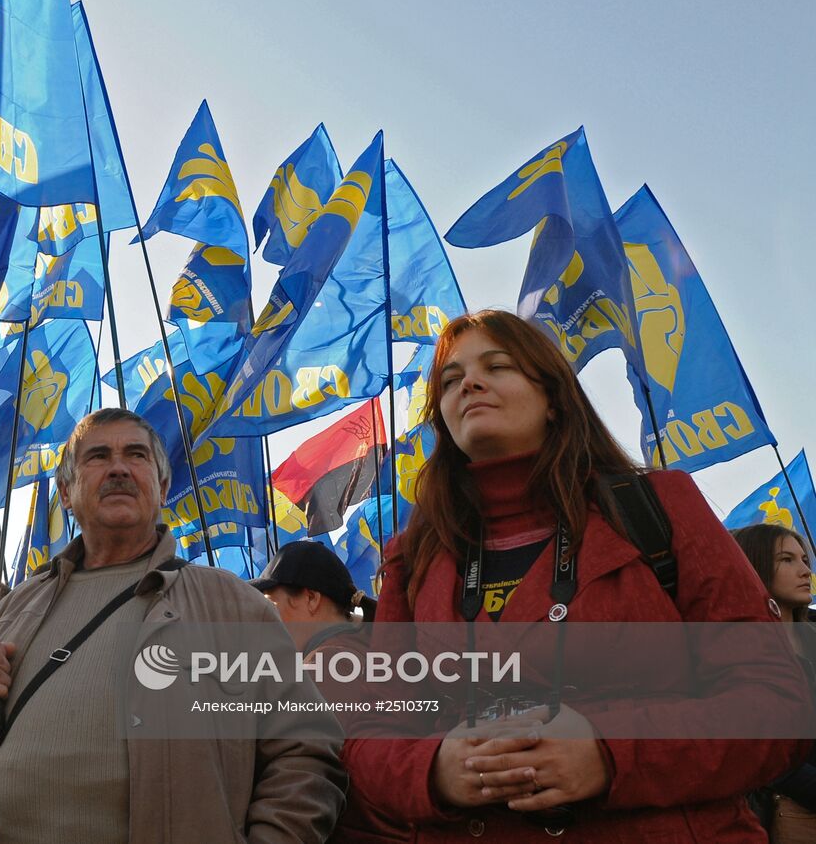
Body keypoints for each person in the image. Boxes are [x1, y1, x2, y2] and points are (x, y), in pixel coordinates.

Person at [344, 309, 810, 842]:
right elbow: (371, 737)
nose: (469, 382)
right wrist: (433, 771)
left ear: (553, 399)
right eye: (451, 380)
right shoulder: (412, 557)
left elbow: (776, 707)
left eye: (498, 366)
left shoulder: (660, 508)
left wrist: (610, 754)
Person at [0, 407, 347, 843]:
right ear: (66, 493)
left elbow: (307, 752)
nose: (119, 469)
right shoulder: (15, 608)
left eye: (136, 455)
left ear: (162, 487)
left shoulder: (231, 606)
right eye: (98, 456)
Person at [252, 539, 403, 844]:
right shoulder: (372, 652)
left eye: (270, 605)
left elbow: (304, 778)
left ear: (310, 598)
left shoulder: (324, 667)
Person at [735, 523, 816, 843]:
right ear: (752, 565)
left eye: (805, 560)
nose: (805, 570)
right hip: (784, 814)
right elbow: (762, 750)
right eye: (787, 560)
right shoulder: (737, 650)